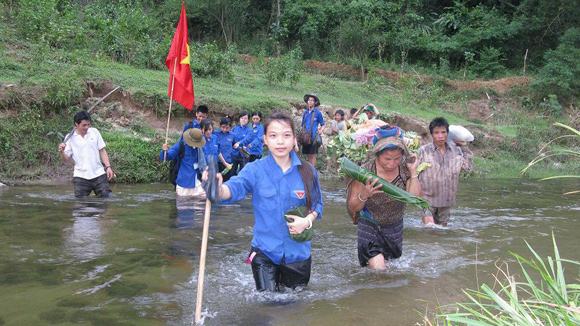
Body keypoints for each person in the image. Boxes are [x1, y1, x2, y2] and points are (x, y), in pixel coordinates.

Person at [212, 112, 323, 292]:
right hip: (265, 252)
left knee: (293, 307)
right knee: (268, 304)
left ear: (294, 139)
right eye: (273, 136)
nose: (280, 141)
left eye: (286, 135)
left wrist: (307, 221)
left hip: (298, 254)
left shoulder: (308, 171)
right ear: (265, 139)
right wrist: (217, 189)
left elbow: (317, 205)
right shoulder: (255, 170)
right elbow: (234, 188)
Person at [346, 126, 421, 270]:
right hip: (369, 226)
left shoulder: (405, 170)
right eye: (387, 159)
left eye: (397, 159)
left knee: (390, 270)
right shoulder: (364, 173)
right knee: (379, 267)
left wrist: (413, 173)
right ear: (377, 155)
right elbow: (353, 207)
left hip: (394, 227)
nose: (392, 163)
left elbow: (414, 199)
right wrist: (365, 194)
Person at [418, 117, 473, 226]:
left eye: (443, 132)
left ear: (448, 133)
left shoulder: (457, 151)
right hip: (426, 200)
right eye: (436, 133)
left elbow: (467, 168)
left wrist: (465, 148)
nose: (440, 136)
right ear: (431, 134)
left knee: (442, 231)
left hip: (446, 200)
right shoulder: (423, 151)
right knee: (429, 228)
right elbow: (413, 172)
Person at [58, 111, 115, 198]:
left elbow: (102, 151)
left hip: (98, 174)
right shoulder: (69, 138)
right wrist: (62, 152)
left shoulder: (94, 132)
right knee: (80, 205)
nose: (87, 127)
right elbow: (66, 159)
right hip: (80, 176)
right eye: (84, 125)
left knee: (106, 199)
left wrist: (108, 167)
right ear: (76, 124)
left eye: (88, 124)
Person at [160, 128, 207, 197]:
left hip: (197, 182)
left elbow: (203, 162)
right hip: (183, 183)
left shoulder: (200, 148)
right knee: (183, 205)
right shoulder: (181, 145)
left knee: (201, 203)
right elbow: (168, 156)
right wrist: (164, 151)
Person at [301, 94, 325, 166]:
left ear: (315, 102)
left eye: (312, 100)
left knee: (313, 156)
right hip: (305, 137)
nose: (310, 102)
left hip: (313, 137)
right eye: (309, 100)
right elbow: (302, 125)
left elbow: (323, 124)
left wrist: (321, 130)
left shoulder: (317, 113)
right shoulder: (305, 113)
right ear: (307, 102)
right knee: (308, 155)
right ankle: (310, 171)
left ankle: (313, 171)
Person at [215, 116, 235, 181]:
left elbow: (235, 146)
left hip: (228, 162)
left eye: (227, 128)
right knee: (217, 181)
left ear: (230, 127)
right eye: (223, 127)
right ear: (220, 126)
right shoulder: (215, 134)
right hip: (217, 162)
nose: (224, 129)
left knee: (226, 181)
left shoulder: (232, 135)